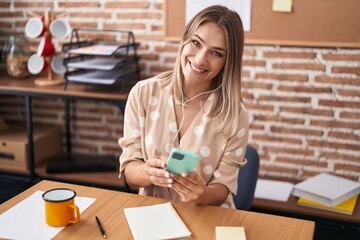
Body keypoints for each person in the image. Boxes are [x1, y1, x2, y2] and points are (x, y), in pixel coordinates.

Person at [118, 5, 249, 208]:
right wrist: (147, 173)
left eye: (216, 53)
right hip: (152, 214)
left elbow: (223, 187)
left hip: (206, 217)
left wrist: (202, 194)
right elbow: (129, 169)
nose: (200, 58)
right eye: (196, 43)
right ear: (184, 41)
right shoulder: (143, 93)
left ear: (227, 62)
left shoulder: (235, 114)